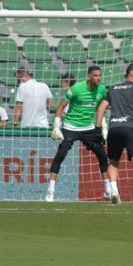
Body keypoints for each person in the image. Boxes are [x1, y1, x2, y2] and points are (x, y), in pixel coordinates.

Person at [45, 66, 111, 203]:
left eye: (100, 75)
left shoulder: (102, 89)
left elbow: (101, 109)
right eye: (95, 75)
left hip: (89, 128)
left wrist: (104, 127)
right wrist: (57, 126)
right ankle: (50, 190)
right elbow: (60, 107)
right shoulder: (76, 89)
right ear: (89, 76)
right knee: (61, 155)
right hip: (70, 127)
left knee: (103, 156)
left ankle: (108, 190)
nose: (98, 78)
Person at [94, 63, 133, 205]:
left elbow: (100, 109)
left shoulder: (113, 89)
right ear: (132, 74)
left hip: (114, 129)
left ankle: (114, 192)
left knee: (113, 162)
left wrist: (98, 129)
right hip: (131, 128)